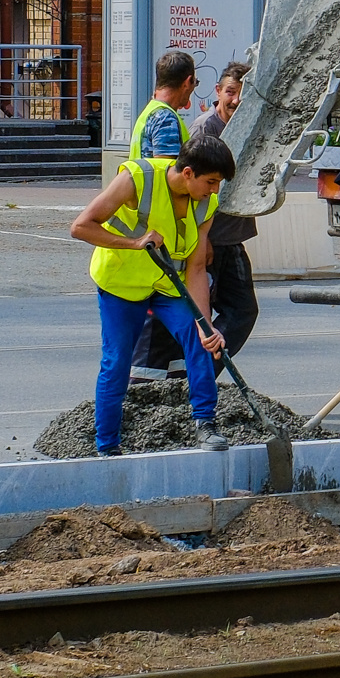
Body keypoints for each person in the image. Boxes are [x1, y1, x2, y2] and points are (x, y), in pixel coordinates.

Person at [69, 135, 236, 456]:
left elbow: (197, 267)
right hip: (122, 284)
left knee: (200, 339)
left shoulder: (206, 204)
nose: (214, 191)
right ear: (187, 173)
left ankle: (205, 424)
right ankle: (107, 446)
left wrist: (205, 323)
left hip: (165, 285)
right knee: (117, 361)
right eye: (211, 182)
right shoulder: (137, 179)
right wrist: (135, 243)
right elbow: (80, 226)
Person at [144, 62, 258, 377]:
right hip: (209, 240)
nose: (235, 101)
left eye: (243, 95)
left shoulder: (250, 126)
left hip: (231, 238)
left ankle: (201, 373)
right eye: (231, 92)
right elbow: (181, 190)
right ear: (218, 91)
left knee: (242, 311)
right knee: (190, 313)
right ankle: (194, 375)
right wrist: (201, 240)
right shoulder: (205, 130)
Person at [132, 51, 198, 160]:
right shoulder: (165, 118)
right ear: (187, 83)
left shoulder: (151, 111)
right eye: (195, 82)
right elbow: (166, 172)